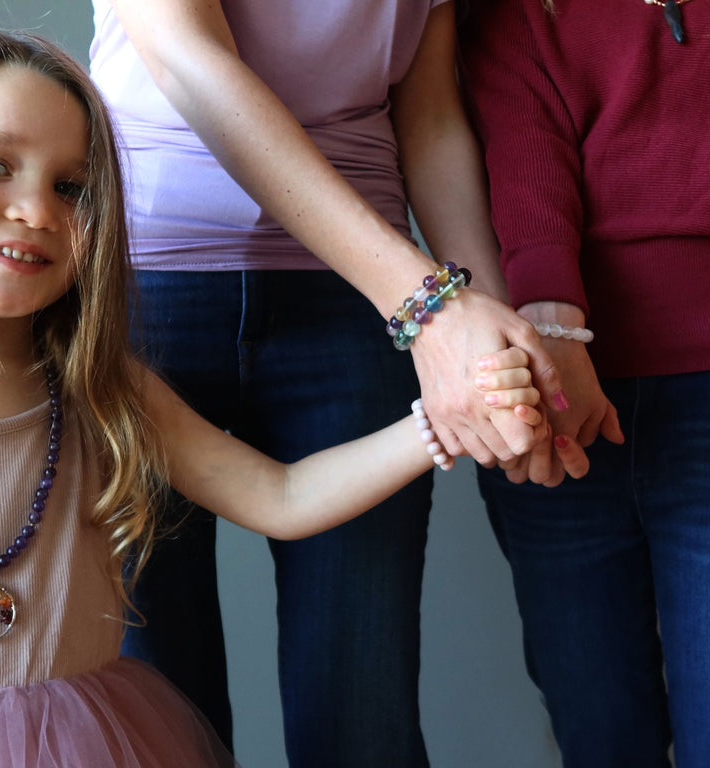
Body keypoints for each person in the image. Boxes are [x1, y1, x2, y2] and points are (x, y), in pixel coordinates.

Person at [0, 25, 576, 768]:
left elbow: (279, 494)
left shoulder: (100, 387)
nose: (36, 210)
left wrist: (440, 423)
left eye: (71, 187)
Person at [88, 1, 571, 763]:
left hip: (360, 303)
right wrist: (430, 306)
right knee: (149, 710)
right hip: (145, 290)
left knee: (362, 712)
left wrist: (493, 353)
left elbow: (433, 120)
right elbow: (191, 62)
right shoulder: (417, 299)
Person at [459, 2, 710, 766]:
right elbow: (525, 162)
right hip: (552, 396)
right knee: (599, 727)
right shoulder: (511, 14)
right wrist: (556, 334)